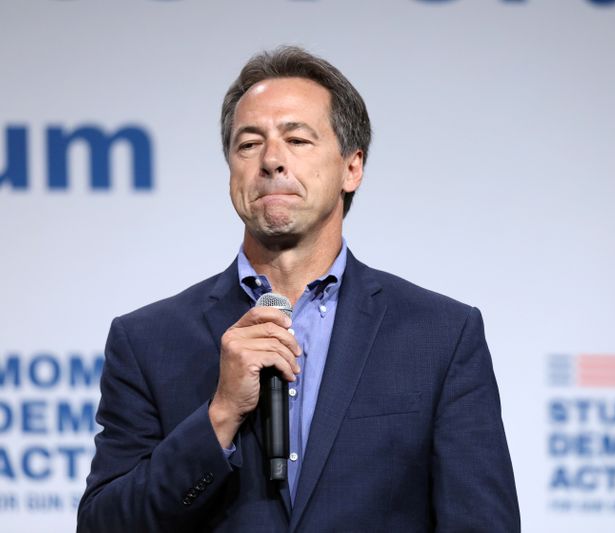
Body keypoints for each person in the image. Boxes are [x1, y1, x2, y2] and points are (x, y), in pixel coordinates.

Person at [77, 46, 520, 532]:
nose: (271, 160)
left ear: (352, 167)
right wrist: (219, 415)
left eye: (297, 139)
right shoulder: (146, 341)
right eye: (249, 144)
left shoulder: (440, 336)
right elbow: (103, 525)